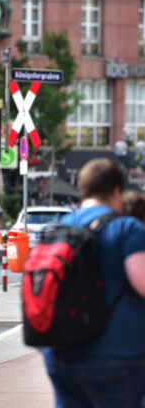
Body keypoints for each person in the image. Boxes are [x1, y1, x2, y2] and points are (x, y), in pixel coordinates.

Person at [41, 158, 145, 407]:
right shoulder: (126, 228)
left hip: (60, 357)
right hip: (116, 355)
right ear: (117, 191)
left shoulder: (56, 231)